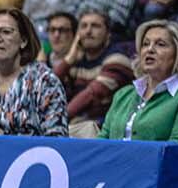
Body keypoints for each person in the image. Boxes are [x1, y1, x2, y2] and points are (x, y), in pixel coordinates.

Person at [0, 8, 68, 136]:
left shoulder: (44, 80)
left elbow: (57, 140)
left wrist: (8, 142)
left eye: (6, 32)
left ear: (23, 41)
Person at [100, 20, 178, 143]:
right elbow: (102, 141)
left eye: (160, 44)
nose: (150, 49)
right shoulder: (123, 95)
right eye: (145, 44)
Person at [54, 9, 135, 137]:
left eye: (95, 26)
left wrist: (58, 119)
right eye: (83, 26)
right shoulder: (76, 61)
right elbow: (50, 89)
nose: (88, 31)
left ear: (108, 34)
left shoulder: (118, 58)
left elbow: (92, 94)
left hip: (107, 129)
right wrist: (68, 60)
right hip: (80, 125)